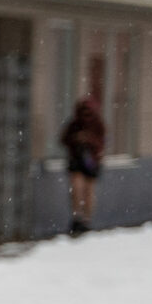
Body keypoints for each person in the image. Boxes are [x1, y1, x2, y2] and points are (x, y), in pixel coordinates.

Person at [60, 94, 106, 236]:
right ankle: (78, 217)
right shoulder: (74, 124)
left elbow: (101, 143)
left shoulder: (98, 124)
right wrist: (77, 139)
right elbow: (64, 139)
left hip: (91, 161)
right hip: (77, 159)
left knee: (88, 190)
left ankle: (85, 219)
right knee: (77, 187)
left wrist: (89, 140)